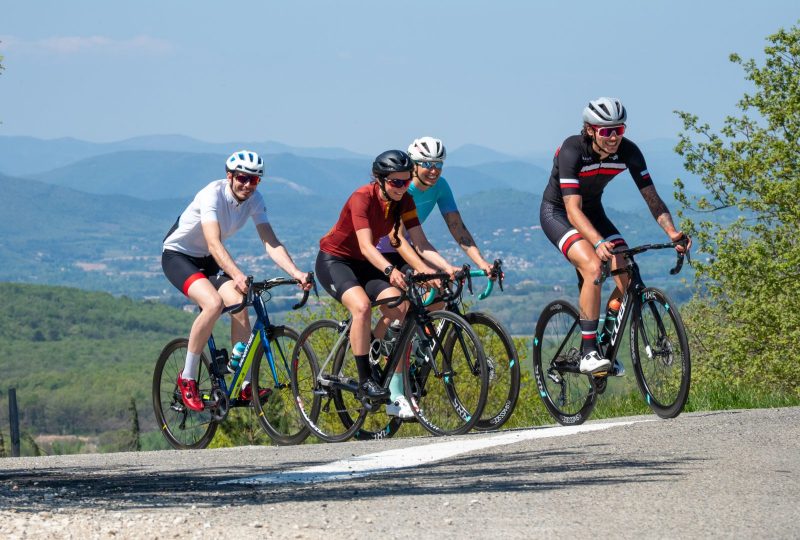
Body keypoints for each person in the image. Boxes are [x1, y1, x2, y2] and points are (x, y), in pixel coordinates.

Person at [539, 97, 691, 375]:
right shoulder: (573, 149)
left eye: (619, 130)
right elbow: (573, 211)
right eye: (607, 131)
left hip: (594, 211)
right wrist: (597, 243)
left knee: (627, 274)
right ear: (590, 130)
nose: (613, 138)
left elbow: (652, 198)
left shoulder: (629, 152)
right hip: (559, 213)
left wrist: (672, 232)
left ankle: (605, 341)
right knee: (593, 266)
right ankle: (588, 353)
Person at [162, 150, 312, 412]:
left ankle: (241, 384)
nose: (247, 185)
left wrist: (296, 272)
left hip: (208, 259)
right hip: (179, 256)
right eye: (243, 178)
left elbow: (270, 241)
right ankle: (187, 377)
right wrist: (237, 274)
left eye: (254, 180)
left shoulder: (255, 200)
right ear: (229, 176)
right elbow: (213, 241)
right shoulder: (212, 194)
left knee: (241, 300)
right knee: (213, 304)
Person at [316, 150, 454, 418]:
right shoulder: (362, 198)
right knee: (362, 307)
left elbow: (418, 242)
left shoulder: (405, 201)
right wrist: (390, 269)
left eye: (405, 181)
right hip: (336, 261)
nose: (402, 188)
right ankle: (365, 377)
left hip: (367, 264)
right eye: (396, 182)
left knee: (399, 306)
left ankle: (369, 343)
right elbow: (367, 247)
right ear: (380, 180)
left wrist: (431, 270)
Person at [376, 136, 495, 277]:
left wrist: (481, 262)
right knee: (425, 284)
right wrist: (424, 268)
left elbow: (456, 226)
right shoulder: (401, 190)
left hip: (408, 247)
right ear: (414, 165)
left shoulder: (440, 186)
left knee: (443, 285)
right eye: (427, 164)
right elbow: (396, 238)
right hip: (379, 250)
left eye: (438, 164)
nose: (434, 171)